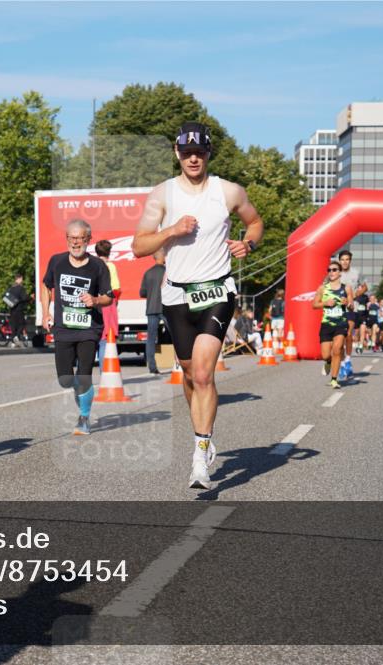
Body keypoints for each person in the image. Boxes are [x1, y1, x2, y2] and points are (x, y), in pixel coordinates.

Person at [132, 121, 264, 490]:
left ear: (208, 155)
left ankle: (199, 455)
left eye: (200, 152)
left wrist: (247, 244)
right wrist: (171, 231)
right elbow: (139, 245)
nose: (193, 158)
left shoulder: (228, 191)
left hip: (217, 291)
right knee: (190, 375)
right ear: (177, 153)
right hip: (176, 294)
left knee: (205, 373)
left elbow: (255, 223)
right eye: (187, 152)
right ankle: (203, 430)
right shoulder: (162, 195)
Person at [41, 218, 114, 436]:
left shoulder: (98, 266)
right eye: (72, 238)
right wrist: (46, 312)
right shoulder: (57, 261)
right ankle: (79, 391)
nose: (75, 242)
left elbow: (109, 297)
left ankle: (84, 417)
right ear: (66, 239)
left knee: (84, 375)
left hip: (89, 328)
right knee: (65, 379)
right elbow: (46, 286)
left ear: (89, 240)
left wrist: (95, 300)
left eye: (80, 238)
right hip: (63, 328)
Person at [313, 260, 352, 389]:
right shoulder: (323, 288)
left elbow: (351, 307)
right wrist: (325, 303)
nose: (331, 272)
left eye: (334, 269)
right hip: (326, 324)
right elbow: (314, 305)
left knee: (337, 350)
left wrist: (347, 303)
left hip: (341, 323)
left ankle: (334, 380)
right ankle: (328, 362)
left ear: (340, 272)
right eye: (329, 270)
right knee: (325, 355)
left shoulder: (346, 288)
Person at [337, 250, 367, 379]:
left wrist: (355, 295)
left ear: (350, 260)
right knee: (340, 337)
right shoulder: (334, 272)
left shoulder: (356, 273)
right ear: (339, 260)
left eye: (347, 259)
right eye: (342, 259)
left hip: (351, 308)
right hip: (337, 308)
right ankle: (343, 363)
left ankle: (348, 360)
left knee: (348, 333)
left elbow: (365, 287)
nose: (344, 262)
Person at [95, 239, 121, 365]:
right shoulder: (110, 266)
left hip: (95, 302)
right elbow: (116, 289)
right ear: (109, 252)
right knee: (106, 339)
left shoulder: (92, 265)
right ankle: (104, 371)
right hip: (108, 303)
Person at [140, 249, 166, 373]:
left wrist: (151, 293)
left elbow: (142, 293)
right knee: (176, 335)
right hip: (165, 308)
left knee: (150, 339)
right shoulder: (168, 272)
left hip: (151, 309)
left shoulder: (147, 273)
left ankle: (152, 367)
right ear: (163, 257)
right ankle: (180, 363)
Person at [4, 273, 29, 348]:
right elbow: (24, 298)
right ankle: (16, 338)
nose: (22, 280)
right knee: (22, 324)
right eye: (22, 279)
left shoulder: (11, 288)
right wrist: (29, 297)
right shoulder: (21, 288)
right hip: (19, 309)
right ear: (19, 279)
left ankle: (13, 343)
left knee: (13, 326)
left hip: (12, 309)